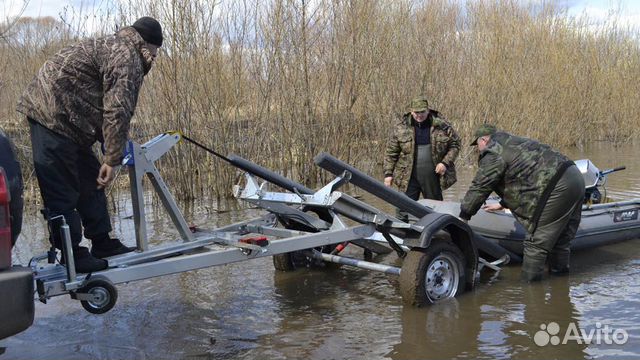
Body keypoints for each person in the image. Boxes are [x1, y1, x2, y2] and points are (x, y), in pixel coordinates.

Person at [16, 16, 163, 273]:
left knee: (91, 181)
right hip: (50, 116)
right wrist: (112, 159)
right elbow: (118, 110)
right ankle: (74, 256)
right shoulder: (127, 58)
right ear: (147, 45)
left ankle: (102, 242)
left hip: (71, 122)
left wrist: (110, 145)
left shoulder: (116, 46)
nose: (156, 57)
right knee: (62, 191)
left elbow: (100, 100)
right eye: (156, 51)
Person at [459, 124, 584, 282]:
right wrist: (503, 203)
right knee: (561, 240)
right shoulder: (513, 142)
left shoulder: (493, 151)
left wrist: (464, 215)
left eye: (477, 144)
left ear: (483, 140)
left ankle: (531, 293)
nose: (478, 149)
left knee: (535, 245)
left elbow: (480, 186)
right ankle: (560, 287)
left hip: (558, 187)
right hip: (575, 177)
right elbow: (524, 178)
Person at [383, 96, 461, 210]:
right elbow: (391, 153)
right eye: (416, 112)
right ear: (411, 111)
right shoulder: (401, 128)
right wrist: (388, 175)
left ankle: (437, 227)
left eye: (422, 112)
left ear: (428, 110)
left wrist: (445, 163)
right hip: (408, 176)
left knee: (435, 208)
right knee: (402, 208)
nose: (419, 115)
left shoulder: (442, 126)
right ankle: (402, 227)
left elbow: (455, 145)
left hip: (433, 176)